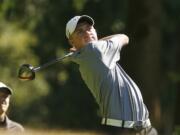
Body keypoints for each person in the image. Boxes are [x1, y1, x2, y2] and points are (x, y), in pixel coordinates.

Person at [65, 15, 158, 135]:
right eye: (80, 31)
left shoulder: (85, 55)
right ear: (71, 41)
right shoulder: (95, 50)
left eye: (89, 28)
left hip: (141, 127)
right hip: (123, 128)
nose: (87, 33)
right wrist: (97, 42)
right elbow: (124, 37)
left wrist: (82, 47)